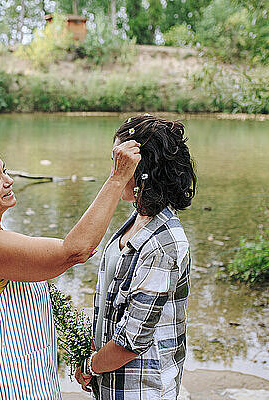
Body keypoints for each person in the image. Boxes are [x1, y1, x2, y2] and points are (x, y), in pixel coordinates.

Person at [0, 141, 141, 399]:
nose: (9, 181)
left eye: (4, 171)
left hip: (16, 371)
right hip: (2, 381)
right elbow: (76, 251)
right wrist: (117, 179)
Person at [75, 114, 196, 400]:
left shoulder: (163, 244)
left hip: (142, 389)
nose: (114, 171)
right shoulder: (137, 219)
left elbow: (132, 341)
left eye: (121, 164)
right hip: (114, 383)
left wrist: (90, 366)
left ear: (145, 171)